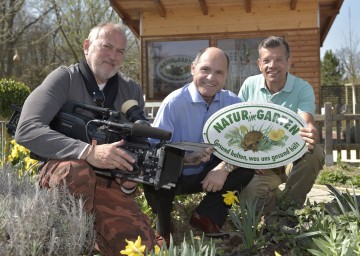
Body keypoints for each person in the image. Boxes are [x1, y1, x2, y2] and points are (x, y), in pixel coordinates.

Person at [15, 22, 156, 255]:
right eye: (107, 46)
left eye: (120, 51)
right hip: (64, 175)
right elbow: (27, 129)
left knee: (142, 248)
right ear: (87, 46)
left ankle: (97, 239)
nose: (113, 56)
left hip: (109, 184)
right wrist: (89, 152)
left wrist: (130, 179)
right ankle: (71, 243)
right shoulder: (63, 79)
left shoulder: (130, 89)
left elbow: (137, 147)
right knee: (76, 169)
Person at [143, 47, 255, 244]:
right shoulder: (174, 103)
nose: (211, 77)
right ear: (193, 68)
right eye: (205, 69)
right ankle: (164, 224)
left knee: (246, 167)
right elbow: (153, 150)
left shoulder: (234, 103)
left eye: (219, 72)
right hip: (175, 176)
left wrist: (224, 167)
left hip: (209, 174)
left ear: (226, 75)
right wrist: (186, 159)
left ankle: (205, 216)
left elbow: (246, 147)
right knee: (154, 173)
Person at [238, 36, 325, 213]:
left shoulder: (302, 88)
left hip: (290, 158)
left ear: (288, 62)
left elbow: (306, 120)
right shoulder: (249, 85)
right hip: (261, 163)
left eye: (279, 59)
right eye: (267, 60)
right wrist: (251, 159)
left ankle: (288, 210)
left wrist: (310, 130)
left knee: (314, 152)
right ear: (259, 64)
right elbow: (239, 125)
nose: (272, 65)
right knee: (249, 197)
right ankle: (278, 201)